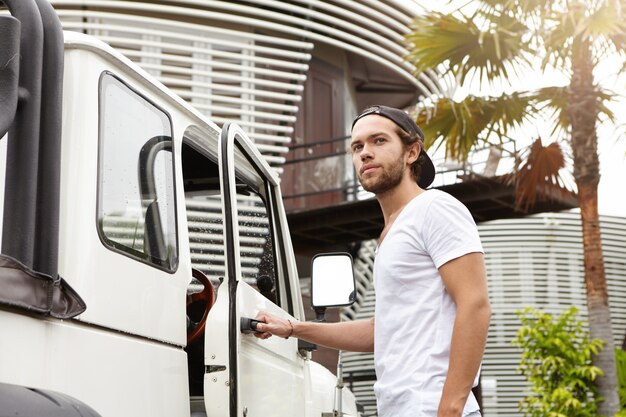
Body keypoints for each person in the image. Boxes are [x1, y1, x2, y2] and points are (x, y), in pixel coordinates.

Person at [255, 105, 491, 417]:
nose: (365, 153)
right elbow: (382, 330)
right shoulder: (390, 233)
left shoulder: (435, 208)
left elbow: (475, 304)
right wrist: (293, 328)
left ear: (411, 153)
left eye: (379, 141)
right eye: (357, 146)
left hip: (430, 405)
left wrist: (450, 407)